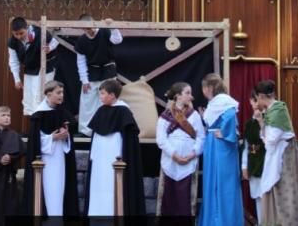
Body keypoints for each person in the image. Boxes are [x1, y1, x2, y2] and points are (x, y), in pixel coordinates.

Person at [255, 79, 298, 226]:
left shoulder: (278, 111)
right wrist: (262, 124)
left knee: (288, 193)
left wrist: (262, 126)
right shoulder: (270, 112)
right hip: (277, 153)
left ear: (262, 96)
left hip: (286, 157)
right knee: (276, 192)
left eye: (257, 98)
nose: (257, 102)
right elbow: (266, 138)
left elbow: (270, 140)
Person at [86, 78, 145, 217]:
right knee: (99, 182)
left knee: (113, 183)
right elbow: (96, 134)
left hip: (115, 153)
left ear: (112, 95)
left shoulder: (124, 111)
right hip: (100, 156)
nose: (100, 97)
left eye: (102, 93)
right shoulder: (101, 110)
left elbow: (130, 139)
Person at [23, 80, 78, 217]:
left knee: (60, 189)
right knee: (48, 189)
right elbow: (35, 141)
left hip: (60, 158)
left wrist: (65, 137)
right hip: (45, 160)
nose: (61, 95)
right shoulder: (39, 115)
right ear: (48, 94)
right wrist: (52, 138)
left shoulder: (64, 113)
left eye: (62, 92)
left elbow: (68, 141)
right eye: (58, 92)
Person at [197, 73, 244, 226]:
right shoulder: (216, 102)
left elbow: (231, 117)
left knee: (222, 182)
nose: (203, 91)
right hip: (215, 144)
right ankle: (214, 219)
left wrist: (225, 131)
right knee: (214, 181)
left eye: (204, 87)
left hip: (221, 147)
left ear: (209, 87)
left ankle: (222, 221)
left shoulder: (223, 101)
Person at [156, 82, 205, 224]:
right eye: (187, 93)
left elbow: (201, 137)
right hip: (170, 163)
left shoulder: (194, 115)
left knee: (186, 200)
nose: (192, 96)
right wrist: (174, 155)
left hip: (189, 164)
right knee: (168, 199)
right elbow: (161, 139)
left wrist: (192, 154)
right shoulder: (165, 116)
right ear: (178, 96)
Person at [75, 15, 123, 136]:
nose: (89, 31)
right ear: (82, 29)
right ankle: (86, 131)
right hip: (92, 73)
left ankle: (108, 128)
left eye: (90, 28)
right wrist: (84, 80)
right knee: (87, 103)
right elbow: (80, 62)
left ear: (94, 23)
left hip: (108, 71)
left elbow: (118, 40)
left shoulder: (105, 31)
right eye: (86, 29)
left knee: (107, 100)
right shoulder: (81, 41)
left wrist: (112, 26)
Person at [7, 16, 59, 116]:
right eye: (15, 34)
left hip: (46, 68)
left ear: (27, 28)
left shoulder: (40, 32)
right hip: (30, 69)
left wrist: (49, 48)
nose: (18, 36)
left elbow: (54, 42)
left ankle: (46, 121)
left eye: (21, 33)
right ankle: (35, 122)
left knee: (45, 95)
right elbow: (13, 61)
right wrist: (17, 79)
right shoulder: (12, 42)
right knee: (30, 98)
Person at [241, 90, 266, 224]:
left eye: (256, 101)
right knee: (257, 196)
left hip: (266, 161)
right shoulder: (249, 124)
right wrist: (244, 166)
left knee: (266, 197)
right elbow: (246, 146)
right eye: (252, 102)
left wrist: (261, 121)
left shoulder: (269, 120)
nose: (254, 105)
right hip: (253, 162)